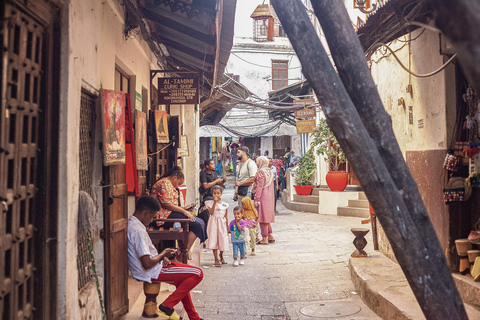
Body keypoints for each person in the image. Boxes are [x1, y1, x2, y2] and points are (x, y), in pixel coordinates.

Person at [127, 196, 204, 320]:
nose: (152, 220)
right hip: (151, 270)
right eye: (152, 216)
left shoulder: (134, 224)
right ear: (146, 212)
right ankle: (167, 305)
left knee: (183, 280)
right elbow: (147, 263)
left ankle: (194, 317)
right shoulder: (137, 231)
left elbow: (148, 257)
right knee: (197, 273)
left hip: (155, 266)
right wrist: (162, 254)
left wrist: (162, 257)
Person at [151, 169, 207, 255]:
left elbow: (170, 205)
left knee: (200, 222)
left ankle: (183, 252)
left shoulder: (168, 183)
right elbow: (166, 205)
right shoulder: (164, 183)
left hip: (167, 214)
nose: (178, 186)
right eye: (178, 184)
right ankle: (182, 255)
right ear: (175, 178)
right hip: (162, 217)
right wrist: (184, 212)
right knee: (197, 224)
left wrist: (184, 208)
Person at [253, 156, 276, 245]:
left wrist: (256, 199)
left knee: (262, 217)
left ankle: (264, 238)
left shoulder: (261, 172)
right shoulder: (269, 171)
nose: (256, 163)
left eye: (258, 162)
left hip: (263, 196)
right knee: (267, 216)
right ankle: (270, 235)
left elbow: (259, 186)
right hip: (270, 196)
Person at [205, 185, 229, 267]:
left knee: (222, 240)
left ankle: (221, 255)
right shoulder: (209, 203)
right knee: (214, 240)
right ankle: (216, 258)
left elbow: (226, 216)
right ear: (212, 194)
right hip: (213, 224)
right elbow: (211, 213)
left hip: (222, 224)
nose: (216, 195)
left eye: (218, 193)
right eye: (214, 193)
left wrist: (227, 227)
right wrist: (214, 203)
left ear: (221, 194)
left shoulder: (225, 205)